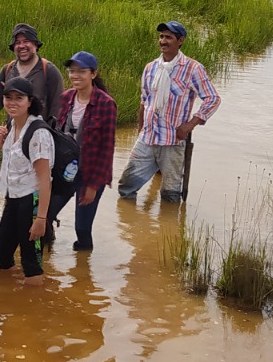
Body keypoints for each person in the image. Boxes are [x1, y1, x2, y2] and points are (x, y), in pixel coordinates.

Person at [117, 20, 221, 203]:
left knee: (170, 196)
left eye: (169, 37)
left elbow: (213, 98)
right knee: (126, 187)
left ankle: (168, 230)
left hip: (173, 140)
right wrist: (140, 131)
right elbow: (144, 102)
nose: (163, 41)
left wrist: (189, 125)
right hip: (147, 138)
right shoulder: (151, 68)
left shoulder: (192, 69)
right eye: (161, 37)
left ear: (180, 40)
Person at [47, 51, 118, 251]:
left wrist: (93, 186)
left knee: (82, 228)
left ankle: (83, 267)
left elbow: (107, 149)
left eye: (81, 71)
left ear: (93, 74)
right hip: (64, 172)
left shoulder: (106, 104)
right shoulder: (65, 98)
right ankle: (46, 251)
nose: (75, 75)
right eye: (71, 71)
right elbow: (55, 134)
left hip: (90, 175)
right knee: (44, 216)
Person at [0, 76, 54, 286]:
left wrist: (41, 218)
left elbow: (45, 179)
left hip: (32, 201)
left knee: (31, 263)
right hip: (14, 198)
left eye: (19, 98)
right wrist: (1, 143)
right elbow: (19, 161)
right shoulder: (13, 124)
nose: (12, 102)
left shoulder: (38, 133)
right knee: (1, 253)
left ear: (30, 101)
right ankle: (10, 298)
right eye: (8, 97)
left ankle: (34, 309)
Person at [0, 23, 64, 115]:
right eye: (17, 42)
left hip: (41, 128)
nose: (21, 46)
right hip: (13, 128)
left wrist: (49, 129)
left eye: (26, 41)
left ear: (36, 45)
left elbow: (57, 108)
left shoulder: (49, 70)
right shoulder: (7, 70)